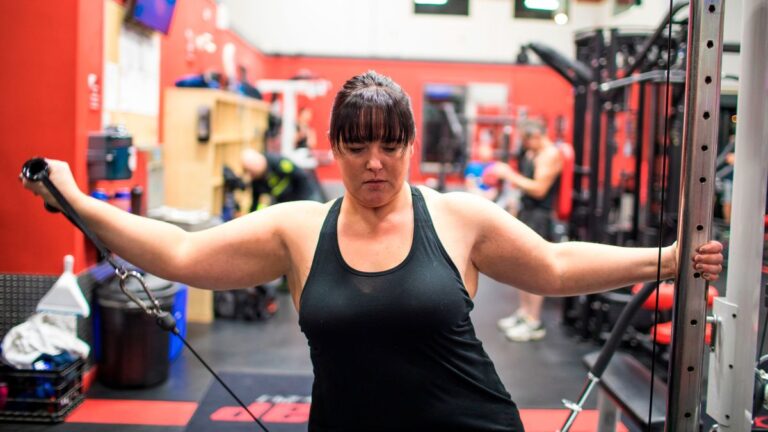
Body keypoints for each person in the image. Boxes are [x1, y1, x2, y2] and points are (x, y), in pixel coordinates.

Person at [22, 71, 723, 432]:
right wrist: (79, 202)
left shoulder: (457, 219)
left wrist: (665, 259)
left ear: (411, 146)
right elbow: (177, 250)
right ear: (335, 150)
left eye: (390, 145)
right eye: (356, 146)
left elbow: (556, 264)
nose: (375, 164)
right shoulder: (296, 230)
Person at [491, 122, 563, 342]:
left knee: (534, 269)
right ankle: (524, 314)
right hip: (527, 212)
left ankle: (534, 322)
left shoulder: (550, 155)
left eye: (527, 140)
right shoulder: (533, 152)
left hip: (540, 217)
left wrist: (509, 175)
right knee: (521, 266)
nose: (525, 145)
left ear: (538, 136)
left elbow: (539, 189)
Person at [241, 148, 318, 211]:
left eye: (252, 171)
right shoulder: (256, 180)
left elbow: (301, 177)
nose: (251, 175)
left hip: (305, 197)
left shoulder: (278, 162)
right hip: (285, 204)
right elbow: (255, 202)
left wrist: (303, 204)